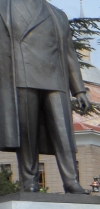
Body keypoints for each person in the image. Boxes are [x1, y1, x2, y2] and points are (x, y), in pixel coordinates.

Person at [0, 0, 91, 193]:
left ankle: (71, 181)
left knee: (64, 132)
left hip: (55, 78)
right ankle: (29, 180)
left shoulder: (58, 14)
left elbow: (69, 53)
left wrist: (79, 90)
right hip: (21, 75)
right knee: (27, 133)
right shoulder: (4, 7)